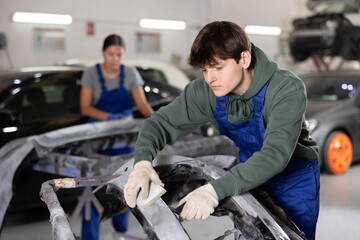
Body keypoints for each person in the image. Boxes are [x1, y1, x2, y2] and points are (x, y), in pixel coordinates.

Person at [124, 21, 320, 240]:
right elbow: (159, 123)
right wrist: (142, 163)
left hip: (293, 180)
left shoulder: (286, 88)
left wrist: (213, 190)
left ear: (244, 59)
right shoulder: (206, 92)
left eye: (218, 67)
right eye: (205, 69)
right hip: (248, 172)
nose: (209, 78)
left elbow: (275, 154)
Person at [80, 34, 153, 240]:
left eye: (119, 55)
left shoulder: (130, 73)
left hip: (124, 139)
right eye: (111, 54)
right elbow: (85, 107)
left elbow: (142, 105)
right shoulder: (91, 74)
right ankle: (90, 237)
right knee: (93, 192)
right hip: (97, 140)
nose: (114, 59)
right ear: (104, 53)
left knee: (124, 186)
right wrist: (110, 117)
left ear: (123, 54)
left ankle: (119, 233)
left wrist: (158, 121)